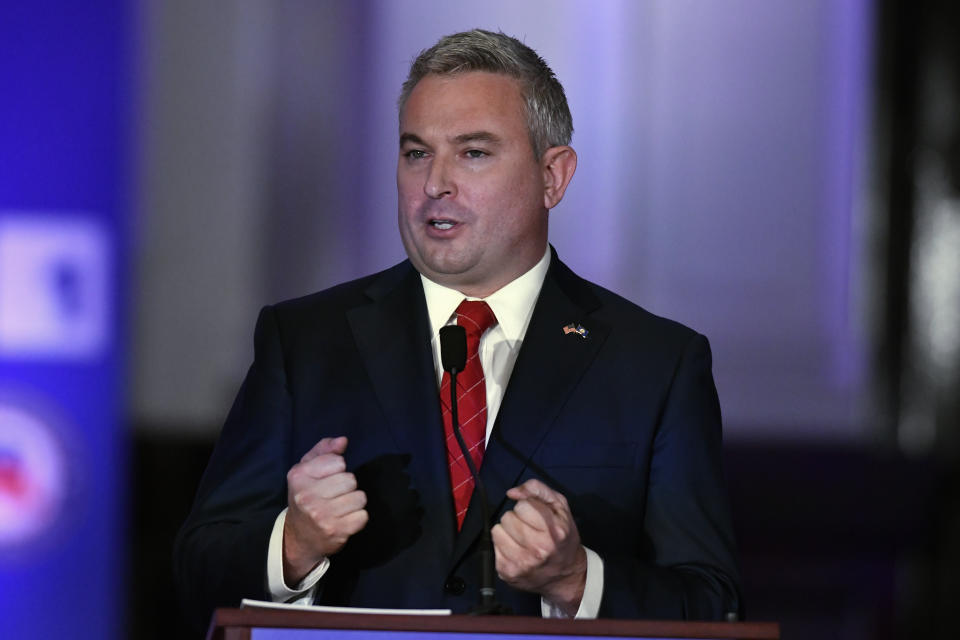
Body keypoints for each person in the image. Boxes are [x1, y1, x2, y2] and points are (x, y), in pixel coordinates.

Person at [174, 28, 741, 633]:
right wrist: (293, 545)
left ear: (553, 176)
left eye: (473, 153)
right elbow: (198, 568)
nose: (434, 184)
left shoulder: (655, 363)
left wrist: (576, 579)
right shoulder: (305, 341)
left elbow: (709, 603)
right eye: (416, 152)